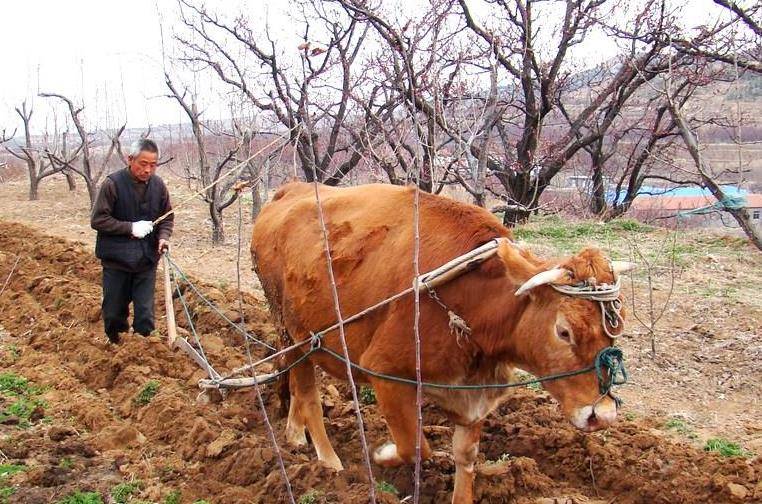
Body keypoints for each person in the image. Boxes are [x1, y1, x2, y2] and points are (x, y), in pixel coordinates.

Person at [91, 139, 174, 344]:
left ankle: (143, 349)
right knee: (113, 315)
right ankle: (116, 346)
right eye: (143, 164)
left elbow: (167, 217)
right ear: (130, 160)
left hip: (146, 261)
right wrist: (131, 228)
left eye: (153, 165)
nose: (148, 170)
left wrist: (163, 238)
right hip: (116, 261)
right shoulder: (113, 184)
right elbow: (98, 220)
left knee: (145, 316)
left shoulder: (158, 186)